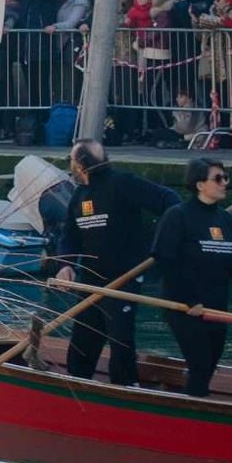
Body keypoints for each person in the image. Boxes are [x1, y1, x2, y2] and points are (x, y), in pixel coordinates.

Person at [54, 139, 179, 386]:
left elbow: (169, 200)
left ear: (81, 165)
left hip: (124, 278)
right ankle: (77, 384)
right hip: (90, 281)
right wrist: (65, 265)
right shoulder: (79, 196)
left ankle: (124, 387)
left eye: (72, 160)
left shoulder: (123, 184)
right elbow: (69, 236)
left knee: (120, 337)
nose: (70, 165)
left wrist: (163, 242)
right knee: (83, 337)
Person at [151, 158, 232, 397]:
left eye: (226, 178)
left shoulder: (227, 220)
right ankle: (195, 411)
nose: (224, 184)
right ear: (200, 184)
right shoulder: (177, 216)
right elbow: (166, 261)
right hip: (184, 307)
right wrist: (189, 300)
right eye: (218, 178)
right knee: (200, 363)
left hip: (217, 308)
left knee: (210, 364)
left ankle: (194, 396)